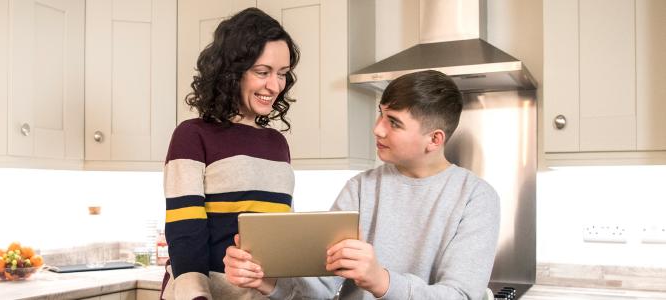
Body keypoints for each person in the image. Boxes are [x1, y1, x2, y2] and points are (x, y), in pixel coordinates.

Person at [222, 70, 500, 299]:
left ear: (434, 140)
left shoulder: (476, 198)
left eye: (394, 122)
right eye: (381, 114)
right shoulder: (361, 188)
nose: (378, 128)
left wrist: (381, 281)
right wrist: (264, 280)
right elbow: (320, 288)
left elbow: (461, 296)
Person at [162, 7, 301, 300]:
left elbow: (277, 242)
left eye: (283, 74)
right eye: (262, 72)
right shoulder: (192, 135)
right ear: (231, 71)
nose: (275, 86)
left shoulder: (278, 144)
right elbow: (185, 235)